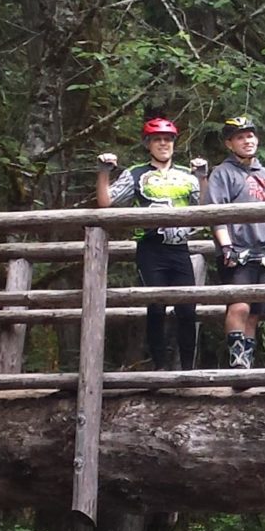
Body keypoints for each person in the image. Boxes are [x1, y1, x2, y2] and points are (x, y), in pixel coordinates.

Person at [96, 116, 203, 370]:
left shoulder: (187, 176)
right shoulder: (136, 174)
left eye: (168, 140)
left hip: (180, 249)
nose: (163, 144)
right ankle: (160, 367)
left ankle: (188, 368)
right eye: (157, 140)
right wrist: (103, 173)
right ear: (148, 144)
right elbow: (106, 203)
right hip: (150, 249)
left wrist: (203, 176)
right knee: (156, 306)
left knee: (187, 309)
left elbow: (206, 208)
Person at [202, 114, 265, 370]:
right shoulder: (222, 173)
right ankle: (237, 359)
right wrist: (226, 246)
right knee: (239, 306)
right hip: (238, 250)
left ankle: (247, 362)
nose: (247, 141)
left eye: (250, 135)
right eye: (240, 137)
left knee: (256, 312)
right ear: (229, 143)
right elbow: (215, 212)